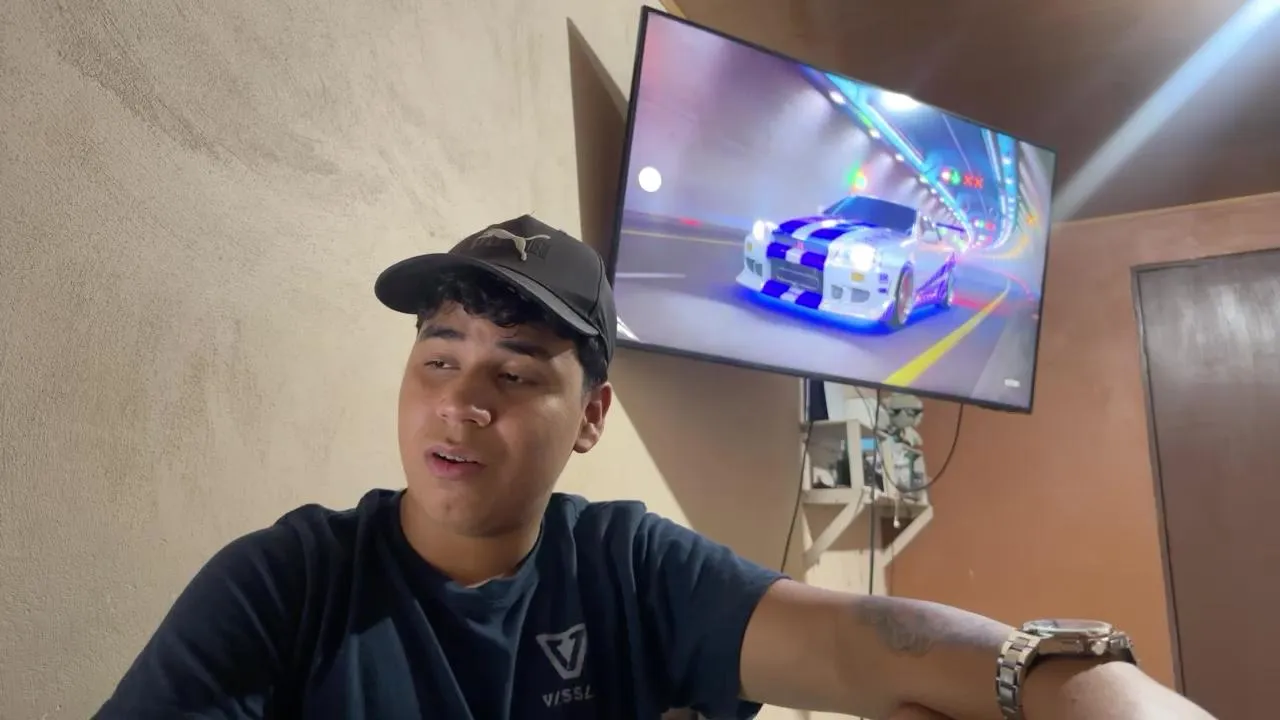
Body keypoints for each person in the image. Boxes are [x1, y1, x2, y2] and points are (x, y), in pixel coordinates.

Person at [95, 215, 1214, 720]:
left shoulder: (626, 569)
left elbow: (869, 643)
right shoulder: (285, 583)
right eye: (438, 358)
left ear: (591, 418)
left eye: (515, 373)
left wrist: (1082, 681)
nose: (461, 401)